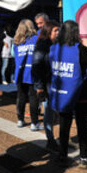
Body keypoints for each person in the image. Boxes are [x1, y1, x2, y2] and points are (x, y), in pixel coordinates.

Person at [48, 20, 87, 168]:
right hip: (80, 93)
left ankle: (62, 155)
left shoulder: (54, 48)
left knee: (64, 125)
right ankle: (83, 157)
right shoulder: (79, 49)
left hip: (61, 92)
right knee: (82, 126)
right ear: (76, 32)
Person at [31, 20, 60, 150]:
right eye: (55, 30)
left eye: (59, 30)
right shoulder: (42, 46)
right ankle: (50, 139)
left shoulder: (57, 44)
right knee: (48, 111)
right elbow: (36, 67)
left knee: (52, 112)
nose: (58, 33)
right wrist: (39, 87)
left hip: (55, 83)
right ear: (48, 32)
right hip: (47, 84)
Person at [13, 19, 42, 131]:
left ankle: (20, 120)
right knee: (33, 98)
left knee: (21, 97)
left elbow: (13, 56)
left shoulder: (16, 42)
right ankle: (34, 123)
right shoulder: (36, 40)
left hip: (20, 73)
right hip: (32, 72)